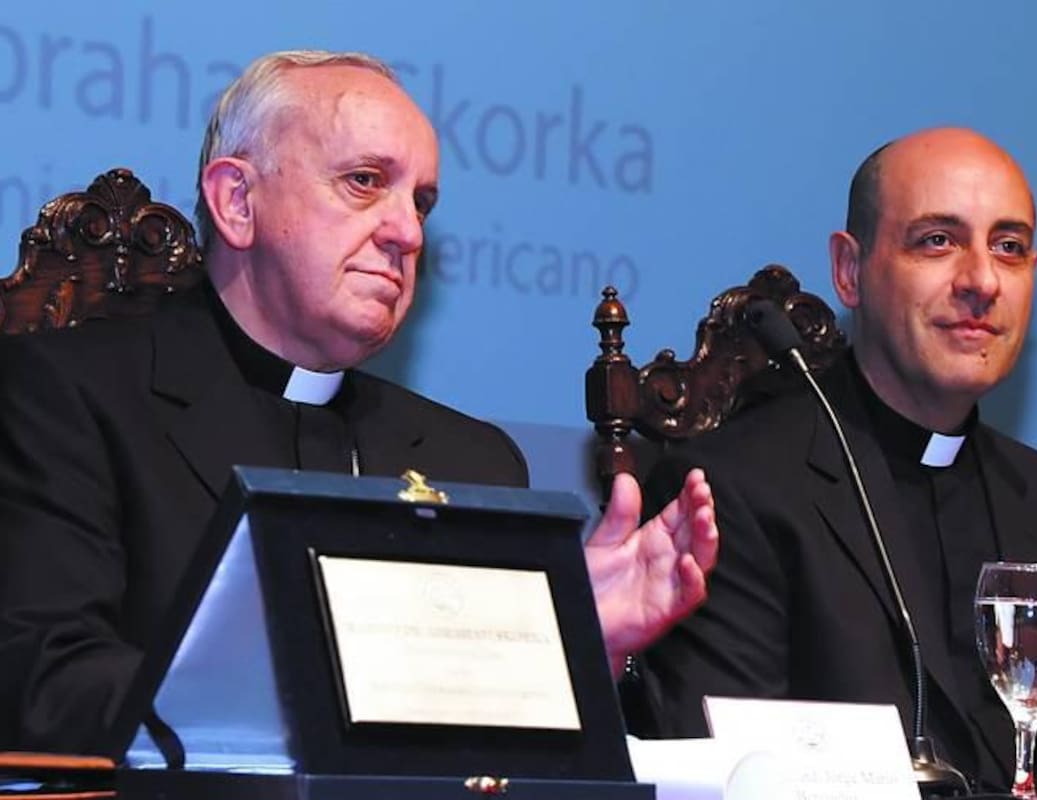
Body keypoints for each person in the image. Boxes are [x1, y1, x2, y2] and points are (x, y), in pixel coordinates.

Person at [0, 50, 715, 754]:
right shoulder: (66, 399)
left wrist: (562, 642)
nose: (408, 232)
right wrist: (340, 683)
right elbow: (49, 687)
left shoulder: (472, 461)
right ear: (237, 202)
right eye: (365, 181)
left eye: (421, 202)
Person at [632, 128, 1037, 798]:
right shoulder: (730, 495)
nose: (981, 282)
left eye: (1010, 247)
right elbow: (727, 780)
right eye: (937, 241)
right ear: (850, 270)